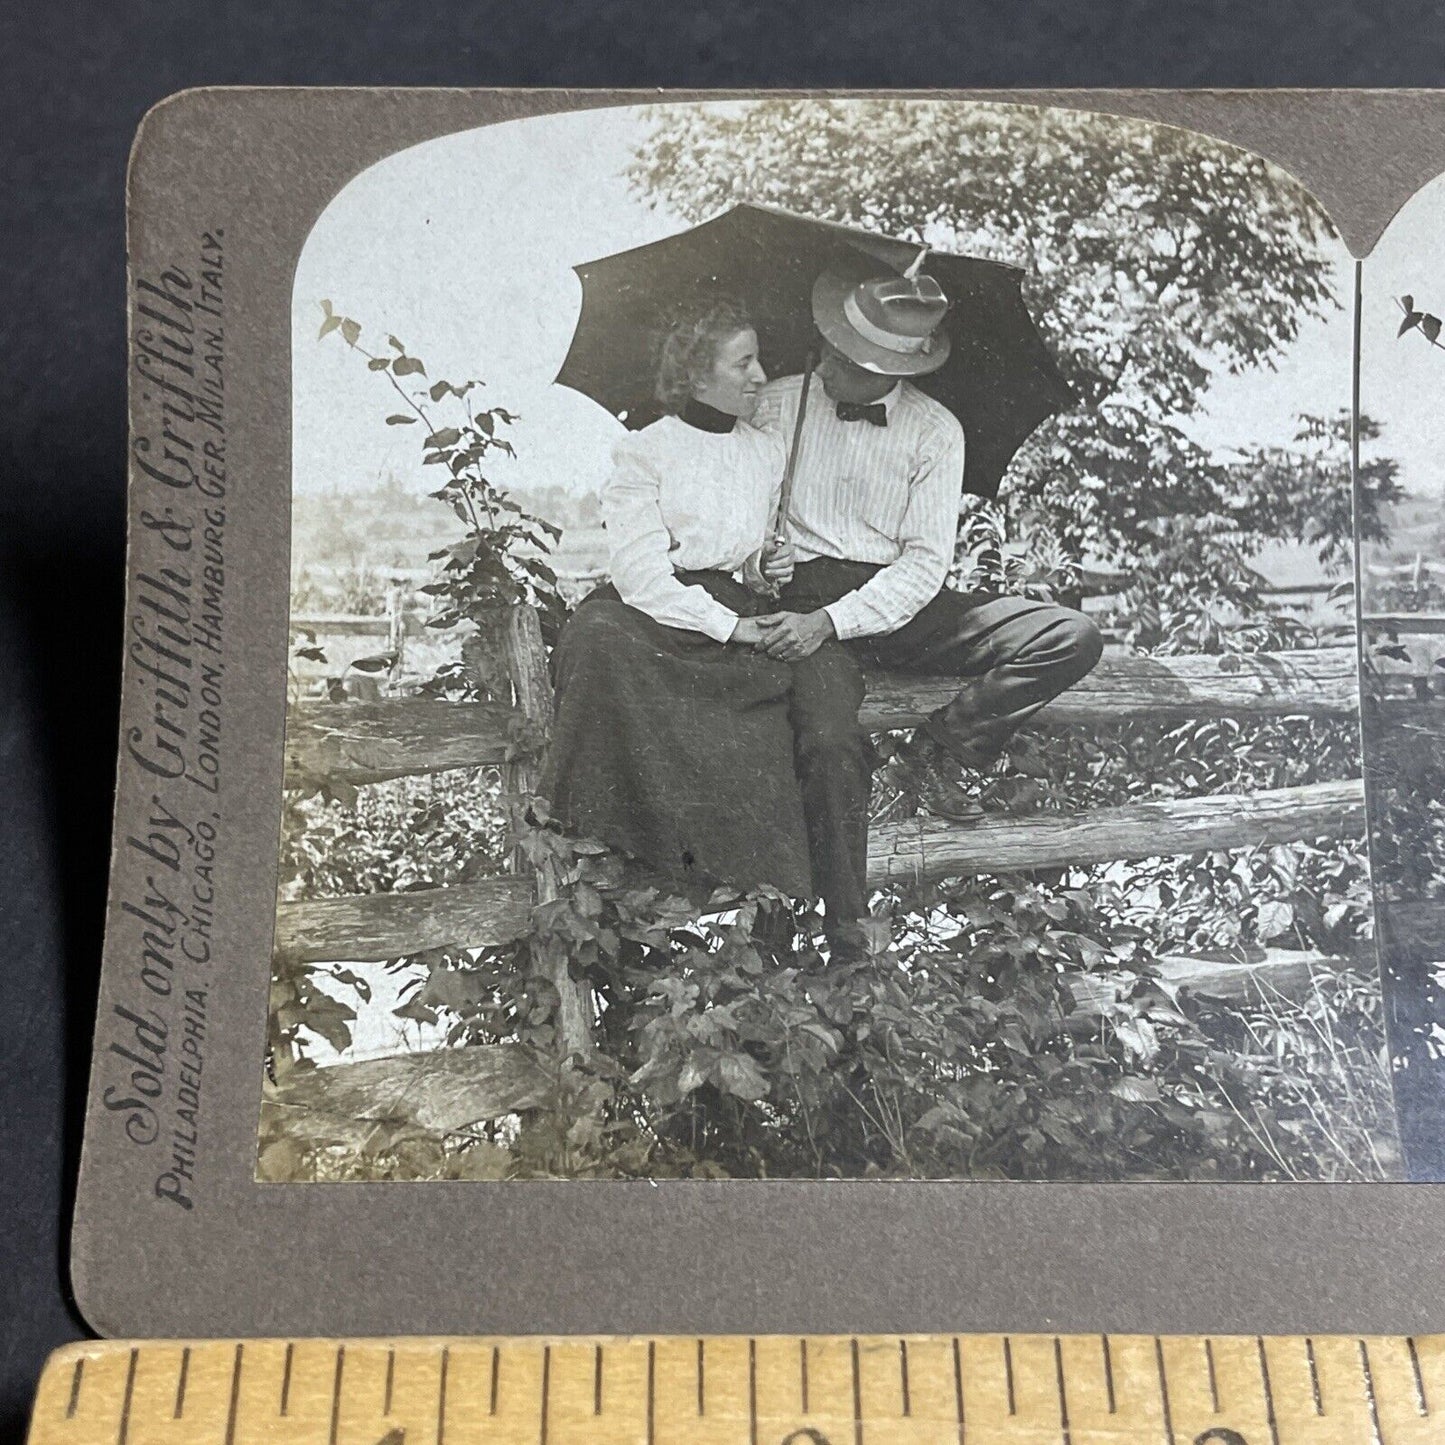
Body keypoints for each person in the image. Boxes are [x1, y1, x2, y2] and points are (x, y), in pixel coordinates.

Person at [751, 253, 1105, 950]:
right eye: (828, 345)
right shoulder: (775, 403)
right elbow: (730, 515)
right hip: (802, 602)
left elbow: (921, 565)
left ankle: (943, 746)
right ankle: (847, 931)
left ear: (896, 370)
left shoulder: (936, 430)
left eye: (847, 359)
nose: (826, 365)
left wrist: (837, 617)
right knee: (827, 741)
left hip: (896, 602)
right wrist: (761, 556)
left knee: (1071, 636)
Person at [543, 293, 814, 901]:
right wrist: (729, 627)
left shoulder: (764, 452)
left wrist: (768, 568)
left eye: (759, 360)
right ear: (696, 374)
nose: (760, 376)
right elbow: (640, 576)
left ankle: (747, 886)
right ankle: (615, 846)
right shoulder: (646, 450)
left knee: (774, 695)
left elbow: (746, 566)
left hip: (731, 608)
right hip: (657, 612)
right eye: (743, 363)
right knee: (598, 639)